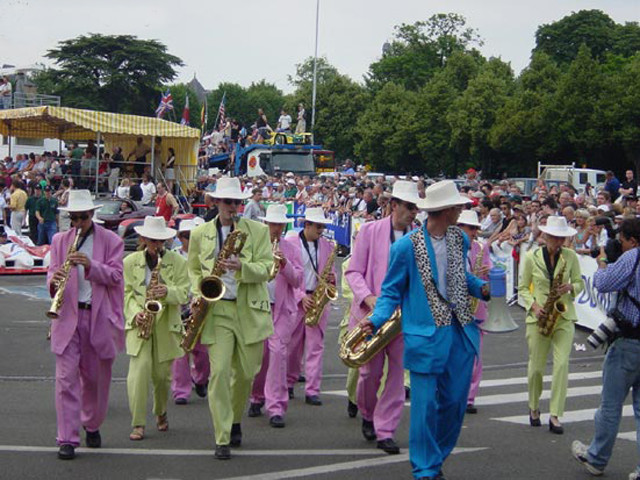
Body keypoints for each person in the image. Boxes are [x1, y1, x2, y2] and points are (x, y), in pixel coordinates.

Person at [359, 180, 489, 480]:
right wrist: (376, 319)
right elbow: (391, 291)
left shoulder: (460, 240)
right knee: (424, 407)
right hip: (425, 336)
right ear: (445, 210)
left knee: (455, 404)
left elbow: (460, 277)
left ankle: (436, 457)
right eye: (457, 207)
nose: (461, 211)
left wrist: (480, 287)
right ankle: (425, 469)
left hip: (460, 332)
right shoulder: (406, 247)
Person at [186, 177, 273, 460]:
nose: (232, 207)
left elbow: (267, 269)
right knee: (220, 372)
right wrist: (197, 290)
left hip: (249, 308)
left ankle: (235, 418)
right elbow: (193, 271)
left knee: (247, 373)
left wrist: (242, 266)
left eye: (237, 202)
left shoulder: (258, 231)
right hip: (218, 309)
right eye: (227, 202)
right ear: (216, 203)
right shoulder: (200, 234)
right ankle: (222, 436)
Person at [47, 190, 124, 460]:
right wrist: (54, 280)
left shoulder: (112, 241)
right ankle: (67, 438)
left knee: (94, 380)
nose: (77, 223)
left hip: (97, 317)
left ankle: (91, 424)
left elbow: (116, 275)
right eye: (73, 218)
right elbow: (51, 271)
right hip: (68, 316)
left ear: (92, 215)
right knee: (65, 379)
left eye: (81, 217)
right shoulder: (59, 240)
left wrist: (91, 266)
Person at [345, 180, 421, 455]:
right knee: (369, 374)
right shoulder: (369, 231)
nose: (414, 213)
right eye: (409, 207)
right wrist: (369, 298)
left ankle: (386, 429)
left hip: (404, 318)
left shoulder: (419, 237)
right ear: (394, 205)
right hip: (373, 316)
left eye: (416, 208)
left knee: (398, 377)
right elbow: (353, 271)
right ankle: (367, 413)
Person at [572, 217, 640, 479]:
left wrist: (601, 262)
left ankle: (597, 457)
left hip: (628, 341)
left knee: (610, 405)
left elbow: (602, 283)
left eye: (621, 240)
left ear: (632, 241)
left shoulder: (632, 256)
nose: (618, 244)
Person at [124, 216, 189, 441]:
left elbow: (185, 293)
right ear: (143, 239)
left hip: (165, 325)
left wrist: (167, 292)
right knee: (138, 374)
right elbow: (126, 294)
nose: (156, 245)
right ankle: (138, 423)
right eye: (152, 240)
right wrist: (135, 314)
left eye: (160, 241)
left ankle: (161, 411)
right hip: (141, 324)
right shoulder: (130, 262)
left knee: (162, 377)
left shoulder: (178, 262)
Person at [518, 216, 584, 434]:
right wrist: (534, 306)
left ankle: (555, 414)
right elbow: (522, 288)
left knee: (562, 365)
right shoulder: (530, 257)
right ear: (545, 236)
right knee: (536, 368)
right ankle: (534, 407)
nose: (558, 242)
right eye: (554, 238)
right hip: (539, 316)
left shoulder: (571, 256)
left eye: (561, 238)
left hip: (563, 316)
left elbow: (580, 283)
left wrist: (570, 288)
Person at [248, 204, 301, 427]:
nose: (276, 228)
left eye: (280, 224)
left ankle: (277, 406)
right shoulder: (255, 245)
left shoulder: (290, 248)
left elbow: (298, 280)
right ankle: (256, 396)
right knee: (260, 356)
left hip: (281, 309)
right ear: (266, 224)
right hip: (259, 306)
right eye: (273, 224)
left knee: (278, 353)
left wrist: (284, 263)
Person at [286, 207, 336, 406]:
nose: (321, 230)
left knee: (316, 347)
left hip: (317, 299)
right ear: (307, 225)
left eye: (323, 226)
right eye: (318, 226)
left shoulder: (326, 246)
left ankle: (312, 390)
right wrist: (300, 296)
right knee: (293, 346)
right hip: (297, 299)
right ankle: (288, 382)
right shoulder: (291, 243)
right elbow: (287, 274)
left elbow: (331, 271)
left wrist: (331, 281)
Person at [170, 218, 210, 405]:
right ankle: (181, 391)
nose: (189, 240)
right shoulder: (173, 256)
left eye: (193, 236)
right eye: (186, 236)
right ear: (180, 237)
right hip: (180, 307)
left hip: (200, 307)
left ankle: (200, 379)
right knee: (180, 351)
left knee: (202, 352)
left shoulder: (205, 257)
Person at [456, 210, 492, 414]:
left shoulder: (481, 248)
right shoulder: (448, 247)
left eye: (476, 228)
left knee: (476, 356)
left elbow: (489, 274)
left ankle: (469, 397)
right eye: (471, 228)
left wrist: (484, 276)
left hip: (476, 308)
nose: (474, 232)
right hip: (455, 309)